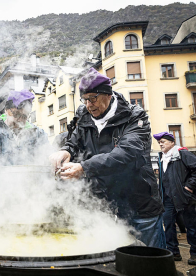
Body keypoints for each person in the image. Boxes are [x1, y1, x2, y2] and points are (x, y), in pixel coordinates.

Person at [49, 68, 165, 248]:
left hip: (140, 206)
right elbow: (74, 140)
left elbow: (126, 153)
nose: (89, 105)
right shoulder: (84, 115)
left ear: (108, 95)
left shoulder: (135, 116)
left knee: (149, 262)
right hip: (107, 208)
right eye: (85, 99)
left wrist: (84, 168)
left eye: (93, 98)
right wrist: (66, 151)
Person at [154, 131, 196, 265]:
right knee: (169, 225)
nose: (160, 143)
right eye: (159, 142)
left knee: (191, 226)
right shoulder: (162, 157)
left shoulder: (183, 154)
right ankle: (173, 253)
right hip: (167, 199)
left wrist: (189, 187)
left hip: (184, 197)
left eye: (163, 141)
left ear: (172, 142)